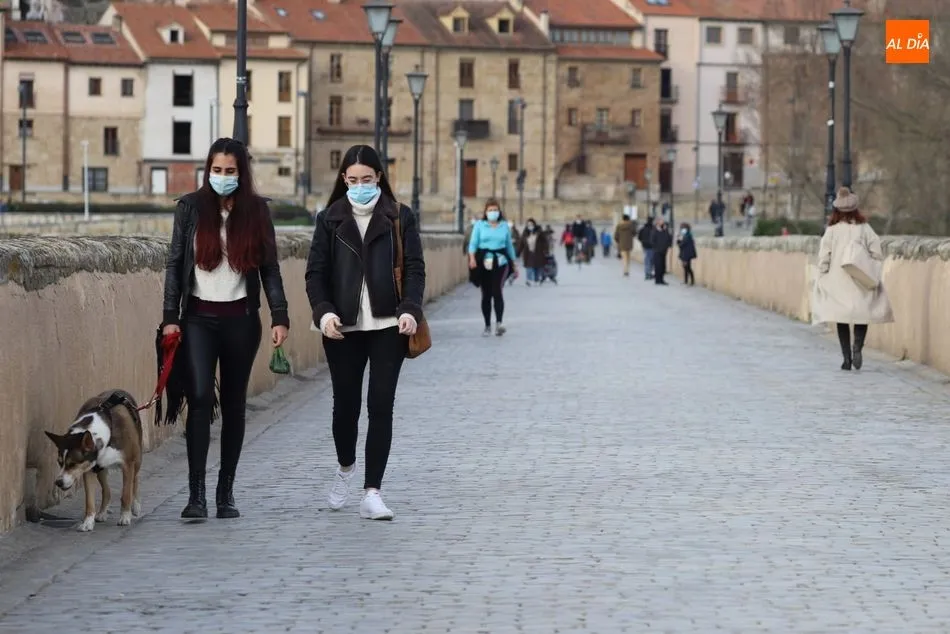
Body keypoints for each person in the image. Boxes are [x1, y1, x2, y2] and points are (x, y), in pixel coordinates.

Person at [161, 137, 290, 520]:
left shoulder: (256, 212)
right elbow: (174, 264)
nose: (222, 177)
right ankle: (196, 493)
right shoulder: (190, 208)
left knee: (234, 405)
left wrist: (280, 315)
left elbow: (270, 268)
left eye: (230, 171)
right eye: (216, 171)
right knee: (199, 397)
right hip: (198, 317)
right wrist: (171, 315)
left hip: (241, 319)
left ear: (242, 173)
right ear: (208, 171)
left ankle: (225, 491)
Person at [305, 144, 425, 520]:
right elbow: (315, 273)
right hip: (342, 326)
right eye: (353, 180)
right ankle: (345, 468)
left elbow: (416, 268)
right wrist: (323, 313)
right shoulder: (329, 219)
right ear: (344, 180)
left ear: (379, 179)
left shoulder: (399, 217)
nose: (361, 186)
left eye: (368, 180)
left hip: (389, 324)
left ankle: (372, 491)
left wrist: (410, 310)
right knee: (345, 408)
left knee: (380, 406)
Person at [812, 187, 893, 371]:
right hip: (860, 278)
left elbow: (824, 256)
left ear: (836, 210)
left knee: (841, 318)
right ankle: (858, 346)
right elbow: (877, 251)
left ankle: (846, 358)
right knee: (861, 315)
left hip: (838, 278)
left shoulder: (832, 230)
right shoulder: (864, 229)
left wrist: (822, 275)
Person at [469, 200, 517, 336]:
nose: (493, 213)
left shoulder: (504, 226)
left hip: (501, 262)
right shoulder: (479, 225)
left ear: (499, 211)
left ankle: (499, 323)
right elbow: (473, 244)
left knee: (497, 291)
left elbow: (509, 246)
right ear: (485, 212)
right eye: (490, 210)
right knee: (486, 295)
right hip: (484, 261)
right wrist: (472, 259)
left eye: (495, 210)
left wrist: (514, 263)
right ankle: (487, 325)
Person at [518, 217, 548, 286]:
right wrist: (518, 253)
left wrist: (546, 250)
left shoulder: (539, 233)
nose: (530, 226)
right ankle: (529, 280)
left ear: (534, 225)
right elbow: (521, 243)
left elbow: (545, 242)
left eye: (531, 224)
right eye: (528, 225)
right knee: (529, 267)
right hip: (528, 253)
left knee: (537, 267)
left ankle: (537, 279)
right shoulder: (525, 233)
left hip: (538, 252)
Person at [651, 217, 672, 285]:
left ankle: (661, 279)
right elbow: (652, 240)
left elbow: (669, 238)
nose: (662, 223)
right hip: (657, 251)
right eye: (661, 221)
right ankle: (658, 279)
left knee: (663, 266)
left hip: (664, 250)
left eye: (663, 221)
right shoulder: (654, 231)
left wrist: (667, 246)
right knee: (658, 265)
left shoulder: (665, 230)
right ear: (657, 223)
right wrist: (656, 247)